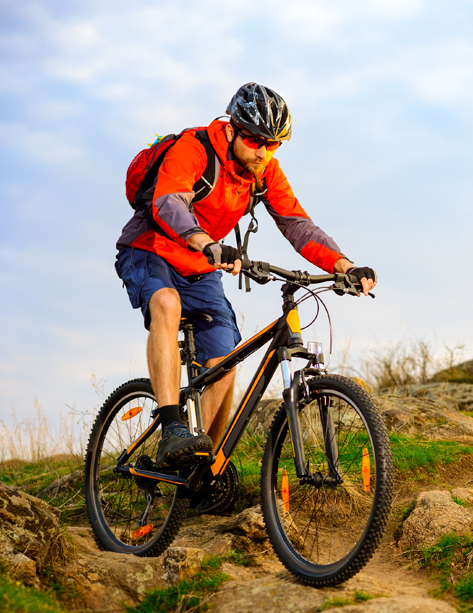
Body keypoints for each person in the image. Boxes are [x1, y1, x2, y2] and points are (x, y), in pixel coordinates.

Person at [115, 82, 376, 470]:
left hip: (202, 266)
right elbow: (168, 201)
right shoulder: (194, 148)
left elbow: (297, 224)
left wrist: (344, 266)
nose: (263, 152)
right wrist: (205, 242)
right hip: (151, 249)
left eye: (273, 145)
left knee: (225, 360)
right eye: (256, 140)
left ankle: (203, 466)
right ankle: (172, 429)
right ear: (234, 128)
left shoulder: (264, 170)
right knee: (166, 304)